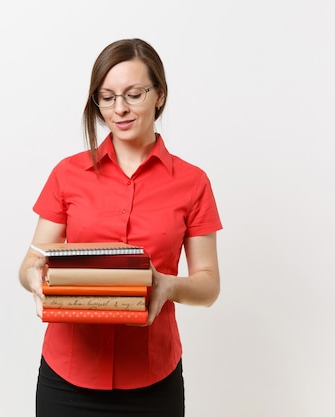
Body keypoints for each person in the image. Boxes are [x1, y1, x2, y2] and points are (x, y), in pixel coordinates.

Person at [18, 38, 222, 417]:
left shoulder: (193, 183)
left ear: (159, 95)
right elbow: (32, 260)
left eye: (134, 94)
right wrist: (34, 278)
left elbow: (209, 285)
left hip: (152, 381)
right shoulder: (67, 174)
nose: (120, 109)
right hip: (67, 377)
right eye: (107, 97)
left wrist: (167, 285)